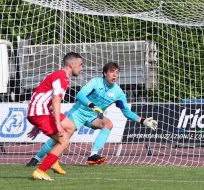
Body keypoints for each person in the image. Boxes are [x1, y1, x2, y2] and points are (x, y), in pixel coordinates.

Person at [27, 61, 158, 166]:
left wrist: (142, 120)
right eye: (112, 72)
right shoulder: (96, 82)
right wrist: (93, 105)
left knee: (108, 124)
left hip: (92, 117)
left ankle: (93, 155)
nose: (115, 75)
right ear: (105, 73)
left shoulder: (118, 92)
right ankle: (37, 158)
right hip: (78, 113)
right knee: (61, 137)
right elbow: (80, 95)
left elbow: (126, 112)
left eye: (117, 73)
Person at [26, 52, 83, 181]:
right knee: (63, 141)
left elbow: (43, 95)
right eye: (80, 65)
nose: (81, 68)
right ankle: (41, 170)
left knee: (71, 126)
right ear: (71, 64)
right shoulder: (62, 77)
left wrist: (37, 125)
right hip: (40, 112)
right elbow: (55, 100)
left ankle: (53, 160)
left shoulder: (58, 75)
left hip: (40, 111)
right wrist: (57, 124)